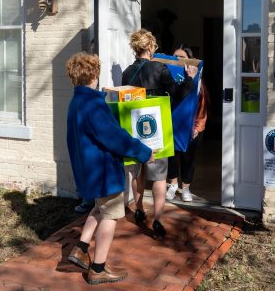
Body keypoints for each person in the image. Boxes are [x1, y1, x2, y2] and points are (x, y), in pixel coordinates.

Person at [65, 52, 154, 285]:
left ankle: (80, 249)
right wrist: (144, 153)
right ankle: (98, 268)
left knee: (99, 207)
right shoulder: (95, 105)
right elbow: (115, 138)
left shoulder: (76, 102)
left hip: (90, 170)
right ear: (94, 74)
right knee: (112, 215)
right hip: (103, 171)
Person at [121, 29, 198, 238]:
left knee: (139, 172)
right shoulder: (159, 68)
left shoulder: (127, 72)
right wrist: (189, 78)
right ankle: (157, 220)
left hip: (134, 128)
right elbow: (179, 94)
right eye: (154, 47)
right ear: (148, 47)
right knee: (159, 177)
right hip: (156, 128)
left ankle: (138, 209)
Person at [166, 44, 208, 202]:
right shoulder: (167, 79)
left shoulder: (198, 83)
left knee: (187, 158)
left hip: (192, 128)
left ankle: (186, 189)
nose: (178, 61)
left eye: (181, 58)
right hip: (172, 125)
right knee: (171, 157)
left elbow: (203, 108)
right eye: (175, 57)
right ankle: (173, 185)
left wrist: (197, 127)